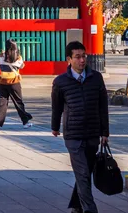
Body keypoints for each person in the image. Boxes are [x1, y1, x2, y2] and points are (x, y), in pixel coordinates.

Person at [51, 42, 110, 213]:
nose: (82, 60)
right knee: (83, 173)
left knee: (85, 172)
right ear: (69, 59)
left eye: (84, 56)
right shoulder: (61, 82)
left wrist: (104, 132)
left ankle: (76, 205)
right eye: (77, 57)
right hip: (73, 134)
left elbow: (102, 106)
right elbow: (57, 107)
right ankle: (90, 209)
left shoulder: (96, 78)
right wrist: (55, 127)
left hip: (92, 133)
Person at [0, 38, 33, 129]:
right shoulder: (18, 57)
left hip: (3, 82)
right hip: (14, 83)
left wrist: (1, 60)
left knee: (1, 102)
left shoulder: (1, 56)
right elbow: (22, 66)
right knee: (18, 102)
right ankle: (25, 122)